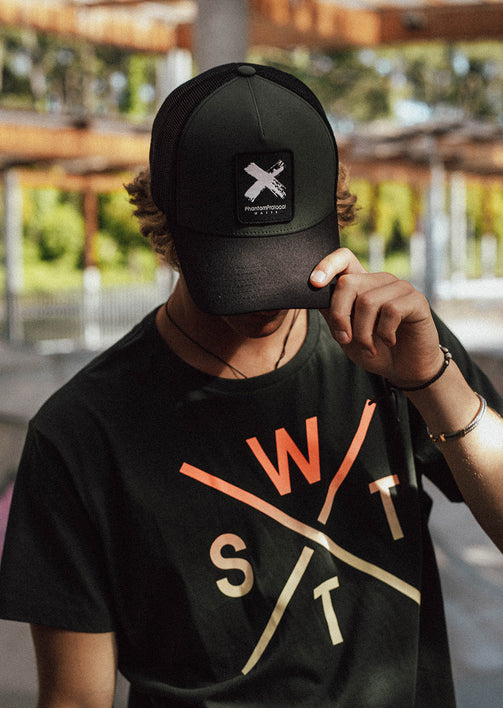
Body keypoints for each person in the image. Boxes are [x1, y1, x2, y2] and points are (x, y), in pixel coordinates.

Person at [0, 62, 502, 708]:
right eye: (234, 269)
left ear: (331, 212)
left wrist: (434, 382)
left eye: (287, 259)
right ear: (164, 220)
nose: (264, 301)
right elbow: (75, 698)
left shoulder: (394, 345)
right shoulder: (80, 435)